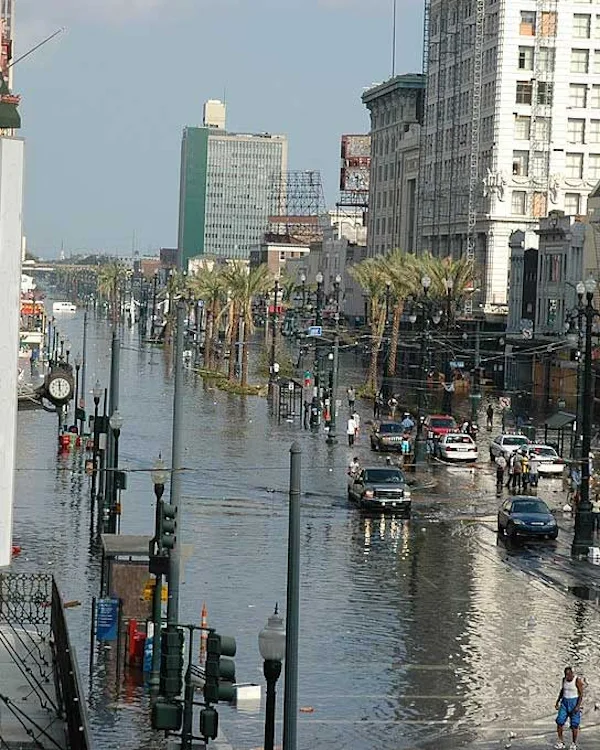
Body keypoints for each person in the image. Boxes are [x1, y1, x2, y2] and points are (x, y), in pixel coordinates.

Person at [554, 666, 583, 750]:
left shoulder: (577, 680)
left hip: (574, 702)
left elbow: (581, 694)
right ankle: (561, 741)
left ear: (572, 673)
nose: (567, 676)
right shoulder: (564, 680)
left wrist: (577, 706)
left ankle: (574, 743)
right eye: (566, 674)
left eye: (569, 674)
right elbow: (562, 690)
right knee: (559, 721)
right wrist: (557, 701)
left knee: (574, 724)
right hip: (564, 703)